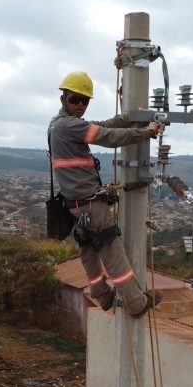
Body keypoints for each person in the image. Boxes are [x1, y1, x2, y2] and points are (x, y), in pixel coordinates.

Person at [48, 71, 162, 318]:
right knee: (113, 252)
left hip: (74, 204)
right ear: (63, 98)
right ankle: (135, 303)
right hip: (90, 204)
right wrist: (146, 132)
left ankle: (102, 295)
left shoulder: (59, 125)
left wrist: (126, 118)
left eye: (84, 101)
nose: (79, 105)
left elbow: (101, 127)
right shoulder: (69, 126)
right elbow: (107, 137)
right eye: (75, 99)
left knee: (88, 251)